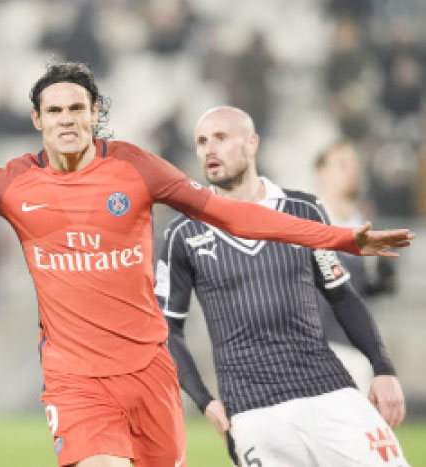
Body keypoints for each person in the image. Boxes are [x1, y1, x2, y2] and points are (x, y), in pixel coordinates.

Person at [0, 63, 414, 467]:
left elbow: (233, 213)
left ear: (94, 115)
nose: (66, 120)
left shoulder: (136, 167)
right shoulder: (9, 184)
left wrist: (340, 240)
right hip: (76, 380)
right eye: (54, 109)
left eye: (78, 109)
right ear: (35, 118)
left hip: (149, 372)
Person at [155, 106, 410, 466]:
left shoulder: (303, 210)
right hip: (252, 409)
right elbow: (167, 328)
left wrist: (383, 368)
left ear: (251, 142)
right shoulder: (184, 233)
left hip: (330, 391)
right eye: (201, 141)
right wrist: (204, 401)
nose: (209, 149)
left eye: (221, 138)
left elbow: (342, 296)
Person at [315, 140, 396, 395]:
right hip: (310, 350)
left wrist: (383, 278)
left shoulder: (368, 226)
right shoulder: (307, 223)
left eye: (354, 165)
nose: (352, 171)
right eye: (342, 164)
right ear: (321, 173)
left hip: (352, 351)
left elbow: (372, 289)